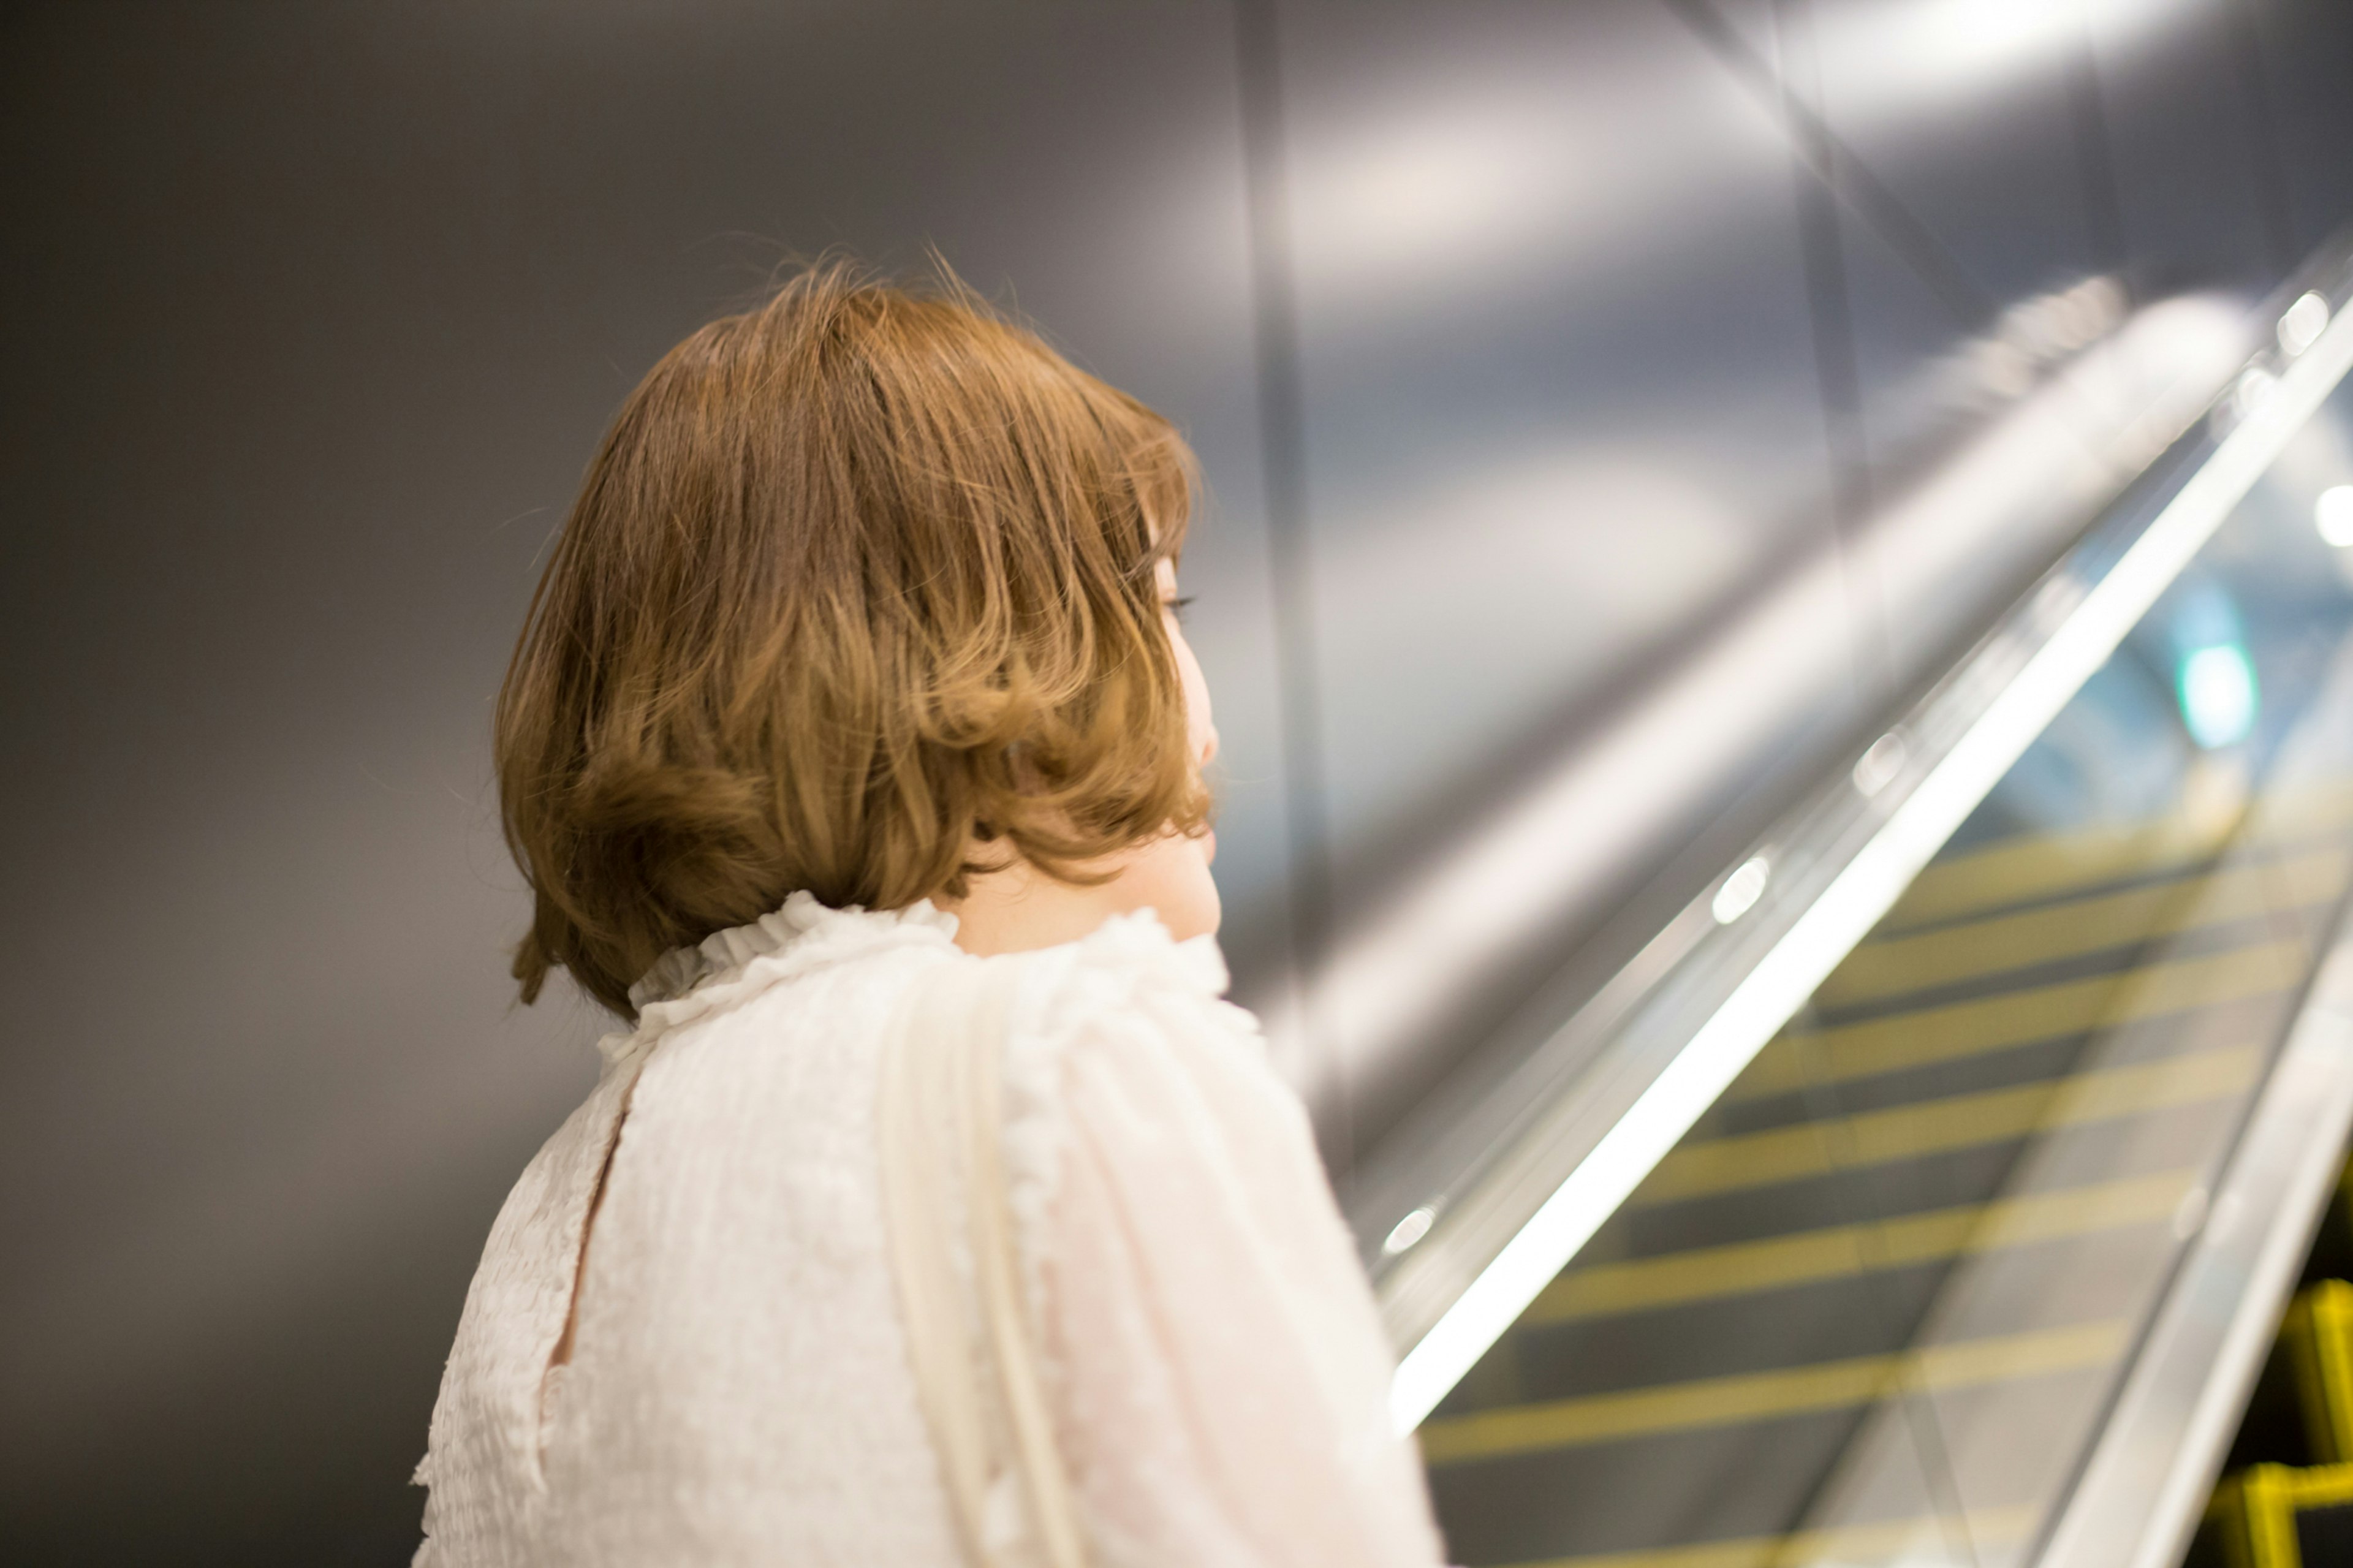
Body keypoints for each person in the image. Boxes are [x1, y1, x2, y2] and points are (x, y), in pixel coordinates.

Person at [412, 264, 1448, 1568]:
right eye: (1161, 604)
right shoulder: (1085, 1061)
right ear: (981, 659)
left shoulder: (553, 1219)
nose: (1204, 704)